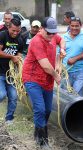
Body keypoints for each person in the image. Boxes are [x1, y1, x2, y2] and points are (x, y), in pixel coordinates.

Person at [22, 17, 66, 149]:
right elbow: (46, 66)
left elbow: (61, 40)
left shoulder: (52, 35)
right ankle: (42, 140)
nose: (52, 35)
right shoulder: (36, 41)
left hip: (47, 80)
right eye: (49, 33)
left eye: (54, 33)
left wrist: (62, 49)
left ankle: (37, 130)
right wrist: (57, 76)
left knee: (47, 110)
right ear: (41, 29)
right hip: (32, 79)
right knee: (40, 109)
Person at [60, 17, 83, 96]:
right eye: (72, 26)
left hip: (81, 71)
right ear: (69, 26)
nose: (74, 28)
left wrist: (75, 59)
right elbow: (58, 54)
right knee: (65, 97)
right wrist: (58, 68)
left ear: (80, 26)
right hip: (66, 72)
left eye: (77, 26)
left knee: (76, 96)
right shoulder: (63, 37)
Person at [0, 18, 23, 123]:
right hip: (0, 72)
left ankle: (9, 118)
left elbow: (19, 54)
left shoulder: (20, 39)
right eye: (13, 30)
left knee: (13, 97)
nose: (15, 33)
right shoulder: (2, 35)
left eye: (17, 31)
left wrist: (18, 59)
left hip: (12, 75)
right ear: (9, 27)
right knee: (1, 94)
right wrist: (11, 57)